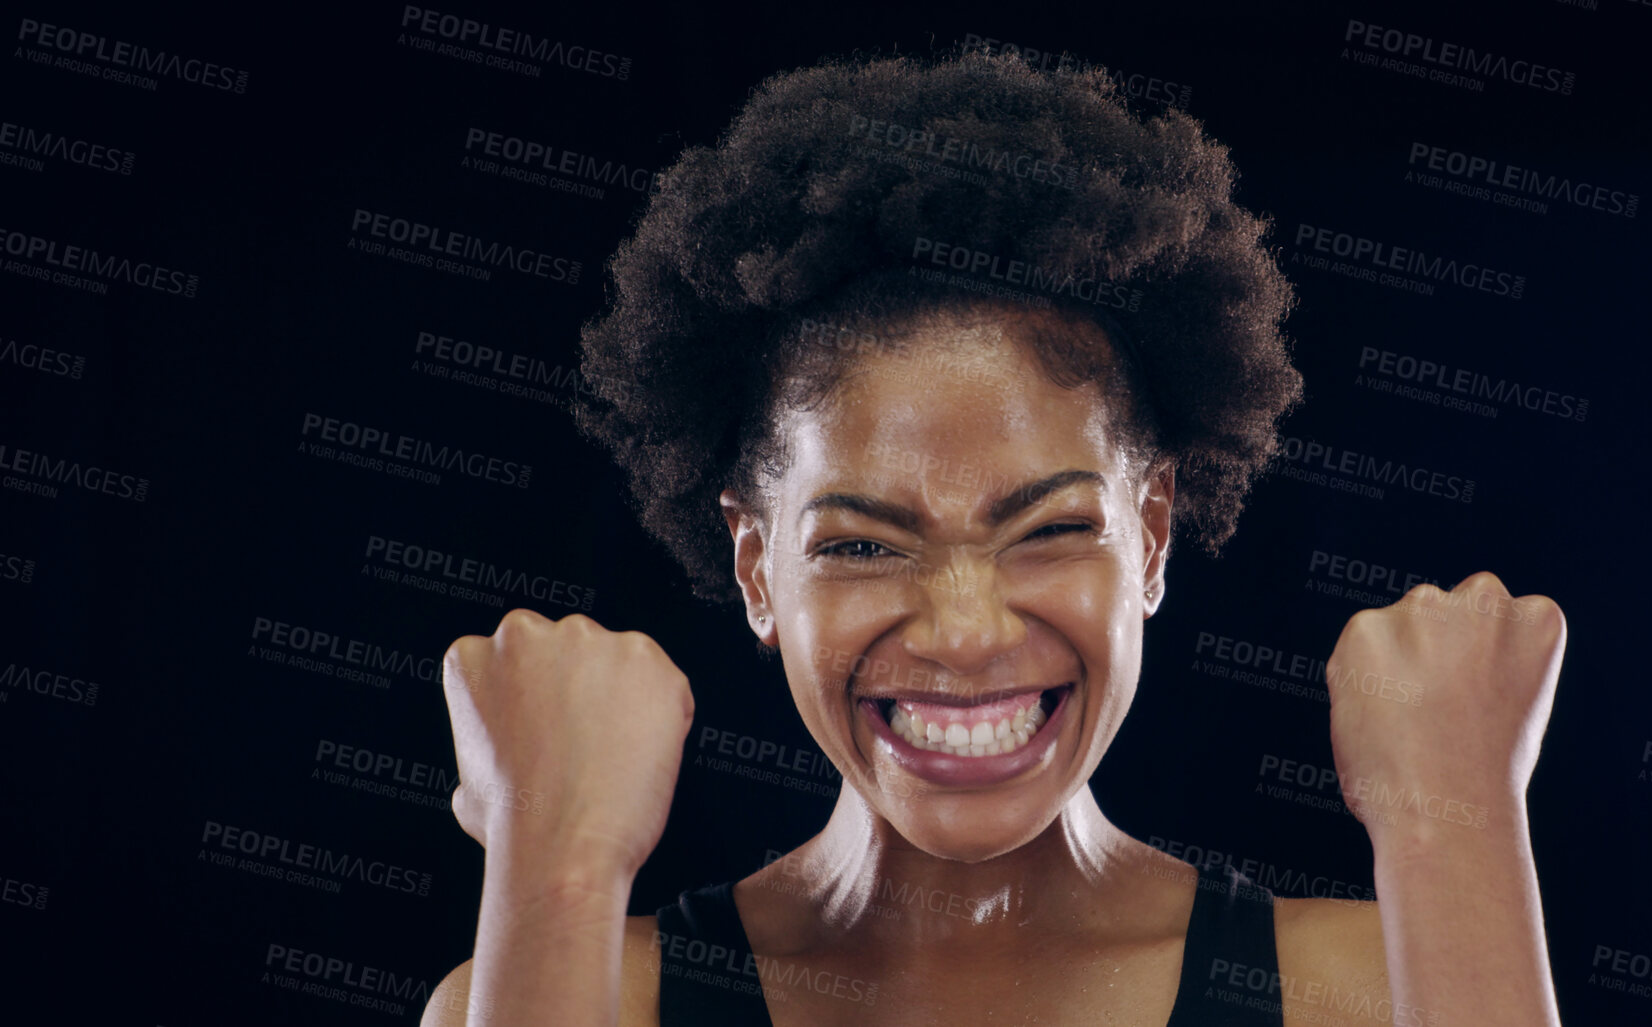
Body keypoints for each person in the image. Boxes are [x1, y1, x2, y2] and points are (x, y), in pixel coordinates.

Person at [422, 47, 1566, 1027]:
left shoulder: (1365, 989)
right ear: (754, 569)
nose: (965, 634)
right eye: (862, 545)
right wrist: (557, 868)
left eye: (1052, 527)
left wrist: (1451, 826)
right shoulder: (566, 985)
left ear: (1154, 535)